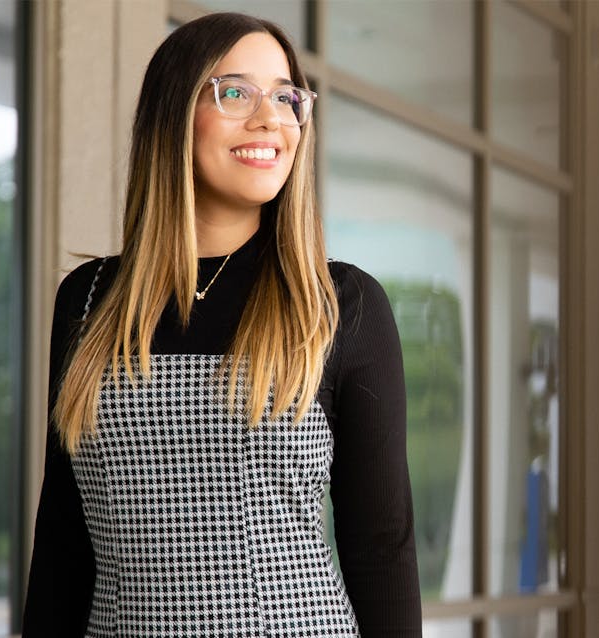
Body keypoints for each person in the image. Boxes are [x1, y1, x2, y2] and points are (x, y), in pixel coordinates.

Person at [22, 11, 421, 638]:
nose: (271, 118)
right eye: (236, 92)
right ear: (174, 113)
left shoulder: (340, 303)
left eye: (288, 97)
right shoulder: (89, 300)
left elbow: (382, 547)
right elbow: (63, 545)